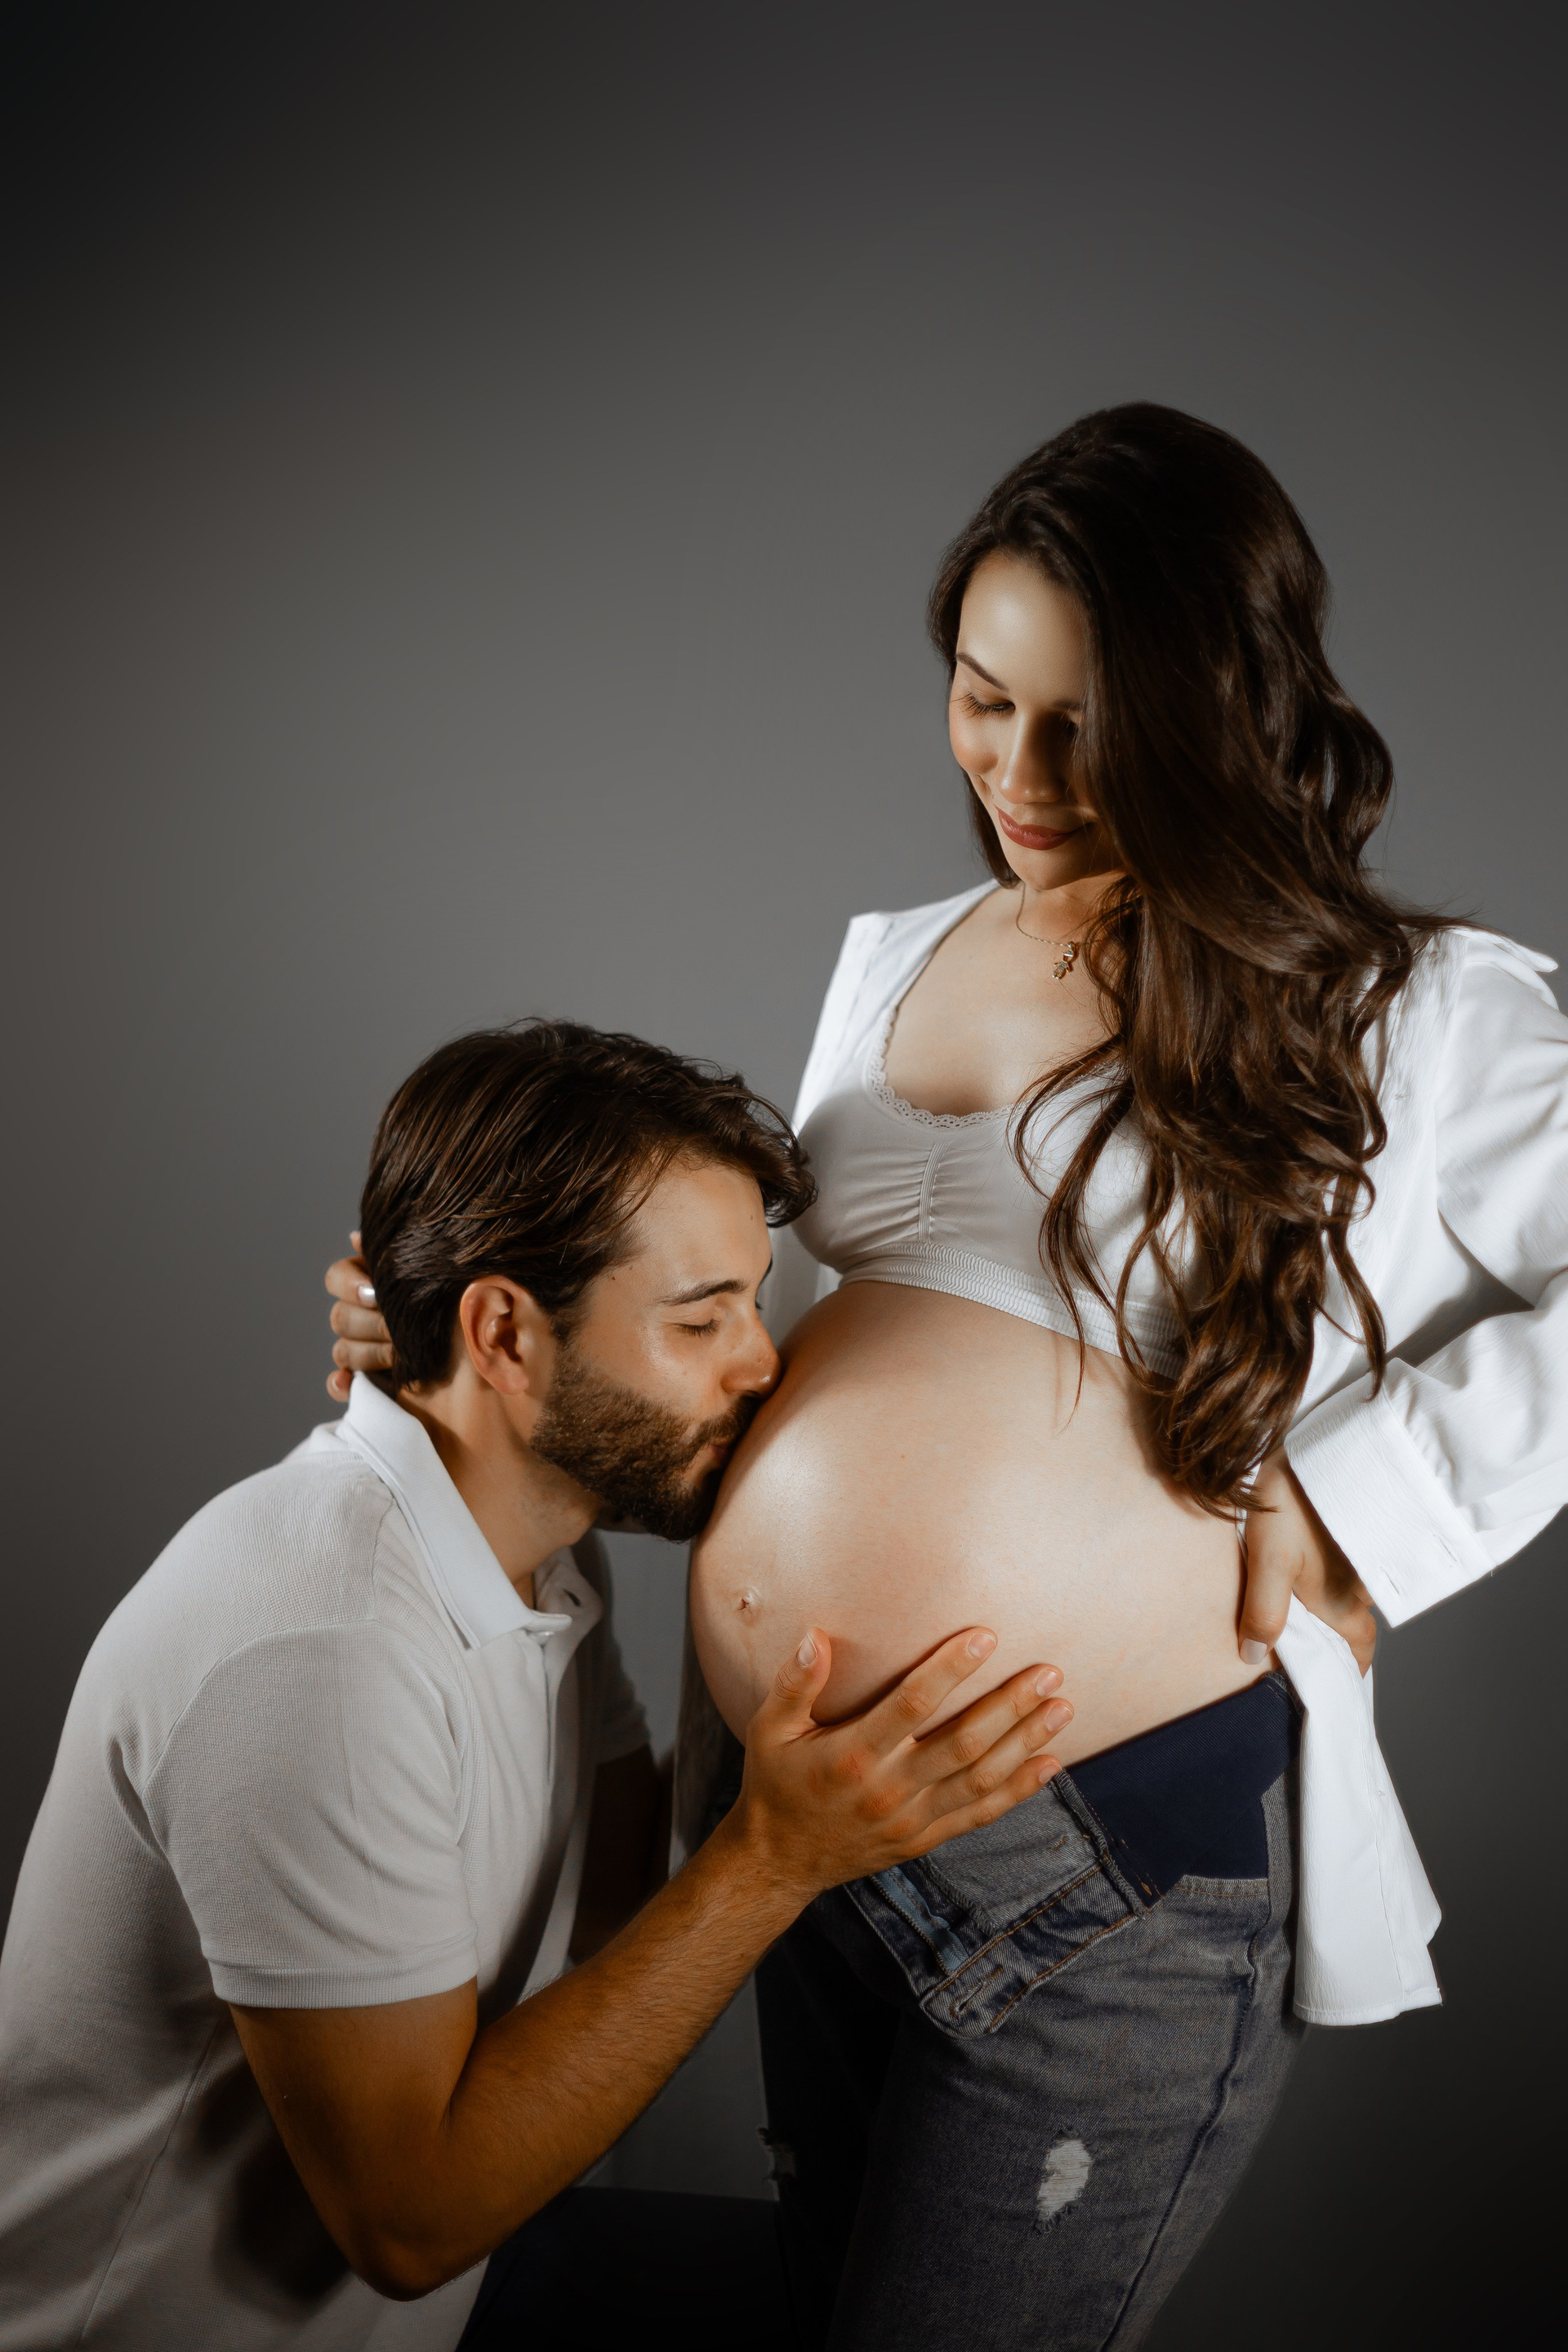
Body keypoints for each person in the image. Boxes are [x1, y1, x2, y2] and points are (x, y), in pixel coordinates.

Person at [327, 405, 1568, 2350]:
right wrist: (470, 1347)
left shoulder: (1394, 1000)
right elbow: (781, 1353)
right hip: (806, 1819)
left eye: (1089, 726)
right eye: (985, 702)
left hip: (1102, 1865)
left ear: (1218, 712)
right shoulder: (899, 953)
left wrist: (1367, 1502)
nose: (1020, 773)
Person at [0, 1022, 1072, 2352]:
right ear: (504, 1334)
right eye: (702, 1320)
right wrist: (776, 1859)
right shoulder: (320, 1649)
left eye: (753, 1304)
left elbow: (609, 1901)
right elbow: (411, 2222)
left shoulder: (544, 1553)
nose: (761, 1362)